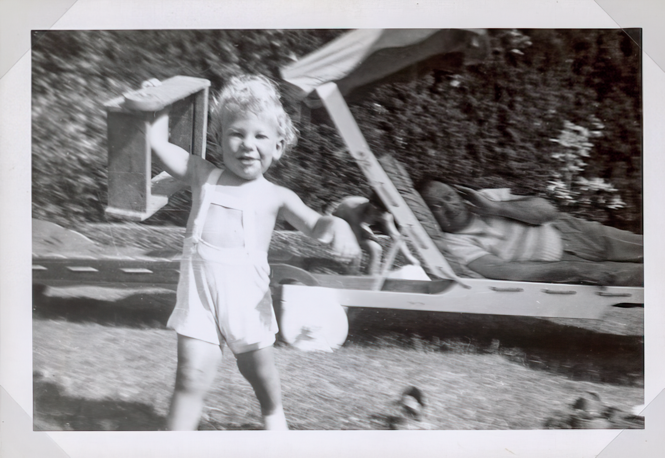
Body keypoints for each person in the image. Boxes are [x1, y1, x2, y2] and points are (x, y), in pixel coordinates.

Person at [148, 75, 360, 431]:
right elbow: (159, 144)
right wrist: (155, 104)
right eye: (237, 134)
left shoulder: (277, 195)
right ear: (218, 139)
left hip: (247, 302)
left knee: (258, 371)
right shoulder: (203, 175)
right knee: (189, 378)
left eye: (260, 136)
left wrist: (336, 225)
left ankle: (273, 415)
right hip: (199, 300)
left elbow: (314, 224)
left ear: (278, 146)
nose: (248, 145)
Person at [419, 181, 643, 286]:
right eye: (436, 206)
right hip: (563, 264)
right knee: (646, 276)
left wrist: (496, 208)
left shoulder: (487, 197)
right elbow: (504, 271)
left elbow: (548, 212)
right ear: (429, 215)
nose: (450, 207)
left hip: (574, 231)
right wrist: (576, 269)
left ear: (459, 194)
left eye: (449, 196)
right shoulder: (455, 244)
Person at [330, 194, 420, 275]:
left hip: (356, 225)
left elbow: (395, 235)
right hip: (338, 223)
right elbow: (355, 240)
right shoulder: (355, 209)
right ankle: (351, 274)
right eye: (376, 210)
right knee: (356, 252)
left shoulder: (385, 215)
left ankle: (372, 276)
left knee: (376, 249)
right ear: (371, 204)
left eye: (381, 212)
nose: (378, 214)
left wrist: (408, 257)